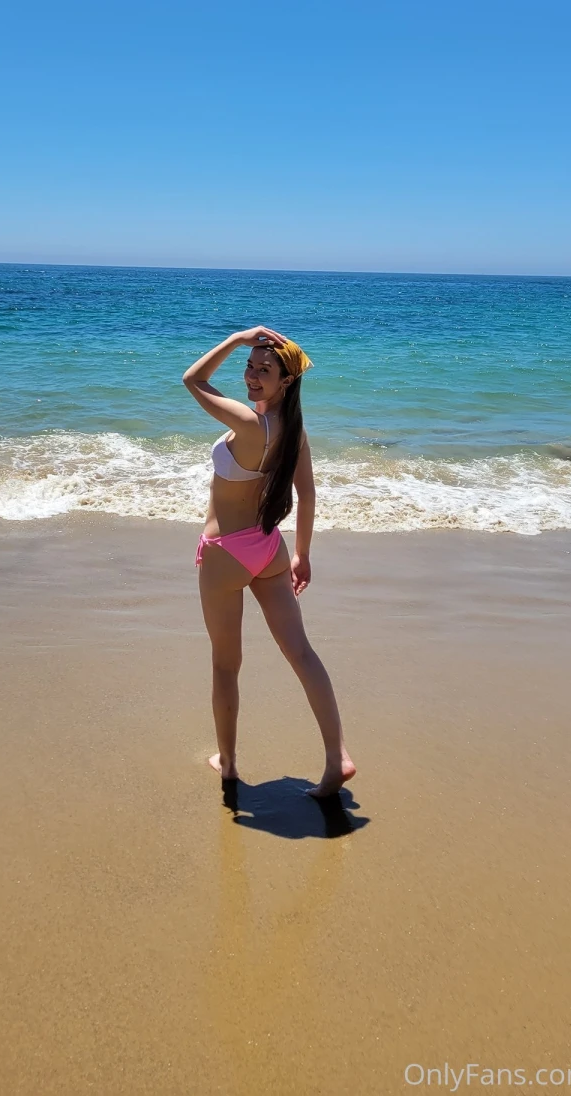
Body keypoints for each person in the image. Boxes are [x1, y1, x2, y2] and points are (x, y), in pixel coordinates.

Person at [183, 326, 356, 798]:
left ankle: (228, 764)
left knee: (226, 665)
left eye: (264, 369)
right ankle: (337, 756)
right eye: (250, 366)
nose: (252, 375)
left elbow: (193, 380)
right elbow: (307, 494)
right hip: (268, 548)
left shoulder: (247, 423)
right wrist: (302, 554)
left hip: (225, 553)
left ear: (286, 381)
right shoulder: (292, 431)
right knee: (301, 654)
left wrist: (237, 339)